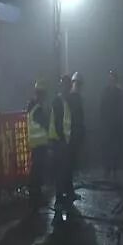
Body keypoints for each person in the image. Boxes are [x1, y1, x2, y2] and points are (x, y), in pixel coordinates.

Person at [27, 80, 50, 211]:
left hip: (35, 143)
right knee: (37, 172)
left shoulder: (32, 105)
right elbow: (45, 124)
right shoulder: (37, 108)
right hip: (39, 144)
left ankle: (35, 197)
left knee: (36, 171)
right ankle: (35, 198)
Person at [49, 74, 72, 206]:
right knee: (60, 171)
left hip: (62, 141)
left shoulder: (64, 101)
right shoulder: (58, 102)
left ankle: (62, 195)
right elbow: (58, 123)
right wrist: (63, 139)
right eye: (65, 86)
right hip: (59, 141)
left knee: (63, 170)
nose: (67, 89)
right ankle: (59, 198)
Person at [65, 72, 85, 199]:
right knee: (68, 165)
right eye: (77, 84)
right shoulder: (72, 98)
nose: (78, 86)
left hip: (73, 135)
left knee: (70, 165)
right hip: (70, 136)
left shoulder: (74, 97)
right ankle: (68, 191)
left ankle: (68, 190)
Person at [100, 69, 122, 178]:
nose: (111, 80)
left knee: (115, 148)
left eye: (112, 78)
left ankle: (114, 169)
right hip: (107, 124)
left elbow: (121, 107)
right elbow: (102, 107)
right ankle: (107, 169)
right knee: (107, 147)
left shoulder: (118, 92)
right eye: (110, 78)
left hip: (115, 124)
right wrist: (102, 121)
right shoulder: (106, 91)